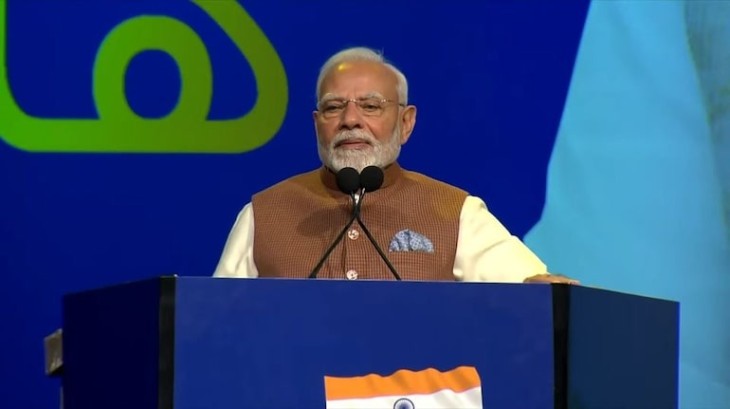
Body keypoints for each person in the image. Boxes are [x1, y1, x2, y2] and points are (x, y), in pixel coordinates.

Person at [213, 46, 577, 284]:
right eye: (333, 107)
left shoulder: (455, 212)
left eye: (370, 106)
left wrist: (545, 292)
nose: (350, 120)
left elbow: (533, 294)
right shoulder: (264, 213)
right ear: (316, 123)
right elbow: (215, 322)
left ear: (406, 123)